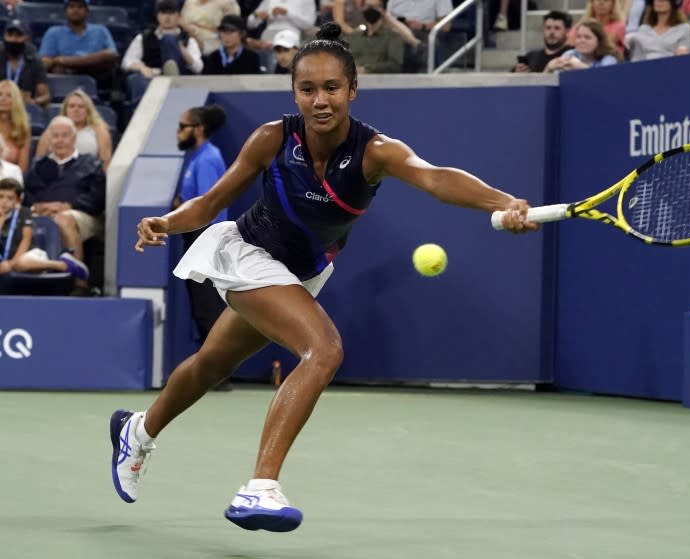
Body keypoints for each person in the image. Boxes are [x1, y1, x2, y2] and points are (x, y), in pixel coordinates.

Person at [111, 21, 538, 533]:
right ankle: (260, 487)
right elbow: (210, 202)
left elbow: (436, 178)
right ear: (294, 92)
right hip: (247, 255)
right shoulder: (272, 138)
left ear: (352, 90)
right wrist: (166, 222)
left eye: (332, 88)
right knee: (324, 349)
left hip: (302, 273)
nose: (320, 100)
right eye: (307, 89)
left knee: (209, 366)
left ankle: (137, 430)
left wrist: (505, 203)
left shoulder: (376, 151)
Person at [173, 104, 230, 384]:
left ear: (199, 129)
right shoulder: (196, 158)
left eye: (183, 126)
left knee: (209, 308)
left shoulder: (207, 159)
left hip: (206, 240)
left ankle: (217, 375)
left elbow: (207, 206)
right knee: (202, 307)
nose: (178, 132)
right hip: (197, 240)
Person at [24, 116, 105, 291]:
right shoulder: (38, 166)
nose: (59, 140)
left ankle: (78, 282)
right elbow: (27, 194)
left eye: (64, 135)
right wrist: (36, 207)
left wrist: (68, 205)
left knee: (63, 219)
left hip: (81, 215)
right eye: (55, 136)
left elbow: (97, 199)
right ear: (49, 139)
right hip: (42, 213)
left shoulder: (91, 163)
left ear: (74, 138)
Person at [0, 177, 90, 280]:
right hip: (6, 260)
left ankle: (62, 265)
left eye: (10, 198)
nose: (4, 202)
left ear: (18, 200)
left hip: (28, 255)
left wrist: (12, 264)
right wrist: (1, 219)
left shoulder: (24, 212)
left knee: (21, 263)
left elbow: (26, 240)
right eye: (1, 197)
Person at [38, 0, 119, 82]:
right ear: (65, 11)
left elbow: (111, 54)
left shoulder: (101, 30)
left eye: (80, 7)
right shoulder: (53, 32)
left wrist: (64, 61)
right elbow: (45, 60)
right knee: (57, 69)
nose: (75, 10)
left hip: (97, 75)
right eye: (71, 6)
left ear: (87, 10)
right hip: (66, 77)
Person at [122, 0, 204, 79]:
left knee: (169, 38)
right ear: (157, 15)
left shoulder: (188, 39)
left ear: (178, 16)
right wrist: (142, 68)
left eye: (171, 13)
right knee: (135, 79)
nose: (167, 17)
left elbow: (198, 67)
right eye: (163, 12)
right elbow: (127, 62)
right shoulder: (144, 37)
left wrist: (178, 45)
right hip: (153, 76)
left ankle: (171, 73)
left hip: (180, 78)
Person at [35, 89, 112, 170]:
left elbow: (105, 163)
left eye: (81, 106)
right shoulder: (51, 131)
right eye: (72, 106)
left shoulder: (99, 130)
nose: (76, 110)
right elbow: (39, 162)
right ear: (65, 110)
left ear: (88, 111)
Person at [0, 19, 50, 107]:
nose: (13, 39)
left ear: (27, 38)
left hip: (24, 108)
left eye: (18, 35)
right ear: (4, 36)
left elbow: (45, 96)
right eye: (10, 35)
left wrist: (33, 101)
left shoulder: (35, 61)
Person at [345, 0, 404, 74]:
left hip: (380, 82)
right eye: (368, 6)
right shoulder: (354, 37)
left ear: (383, 10)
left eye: (376, 6)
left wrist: (367, 69)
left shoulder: (392, 37)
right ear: (362, 8)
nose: (371, 9)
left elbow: (395, 65)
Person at [625, 0, 690, 61]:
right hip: (646, 70)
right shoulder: (643, 29)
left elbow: (683, 57)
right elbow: (636, 59)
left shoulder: (684, 29)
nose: (659, 1)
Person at [545, 19, 619, 71]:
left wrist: (580, 67)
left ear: (599, 41)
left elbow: (604, 81)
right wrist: (549, 67)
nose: (582, 41)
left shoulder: (609, 60)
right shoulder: (569, 54)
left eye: (587, 37)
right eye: (579, 37)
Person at [0, 79, 30, 173]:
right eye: (0, 94)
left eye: (9, 95)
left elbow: (22, 170)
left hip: (10, 183)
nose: (3, 98)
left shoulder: (23, 129)